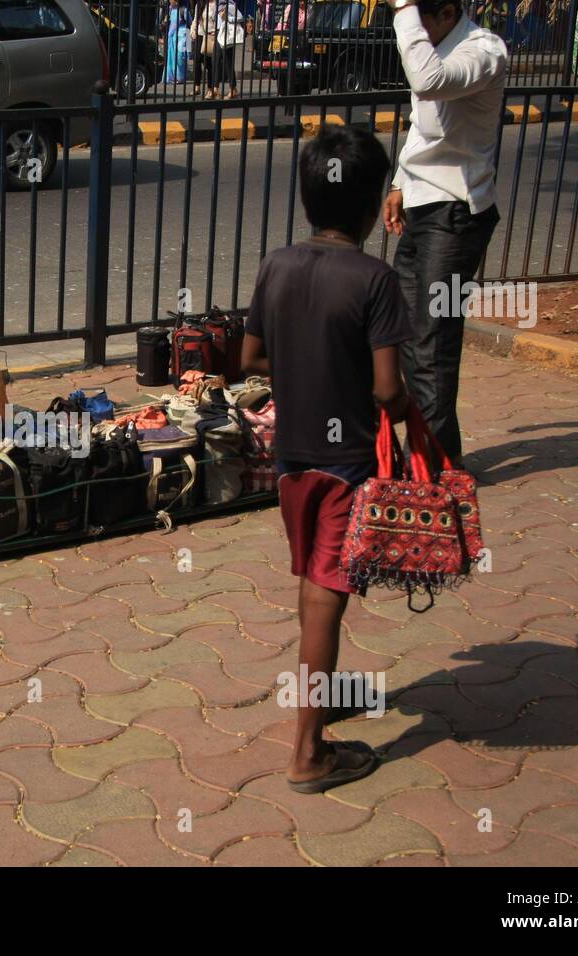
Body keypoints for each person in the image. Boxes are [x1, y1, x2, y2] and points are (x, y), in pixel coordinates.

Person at [241, 126, 412, 794]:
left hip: (290, 463)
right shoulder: (374, 278)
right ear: (372, 207)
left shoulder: (277, 265)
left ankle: (323, 694)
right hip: (346, 466)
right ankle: (309, 754)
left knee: (313, 587)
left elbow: (251, 360)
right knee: (324, 599)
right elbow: (389, 388)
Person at [382, 0, 506, 466]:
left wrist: (403, 10)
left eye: (421, 18)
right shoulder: (435, 49)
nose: (416, 30)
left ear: (447, 11)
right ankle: (430, 456)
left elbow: (427, 83)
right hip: (423, 207)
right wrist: (399, 182)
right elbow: (423, 125)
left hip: (457, 216)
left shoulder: (484, 50)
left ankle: (433, 468)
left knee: (433, 340)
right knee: (409, 335)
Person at [161, 0, 190, 85]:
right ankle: (172, 76)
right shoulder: (170, 10)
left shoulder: (183, 10)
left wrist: (189, 41)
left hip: (182, 36)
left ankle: (180, 77)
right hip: (172, 36)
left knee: (180, 57)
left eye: (171, 0)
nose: (170, 2)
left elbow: (190, 23)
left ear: (177, 2)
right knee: (172, 57)